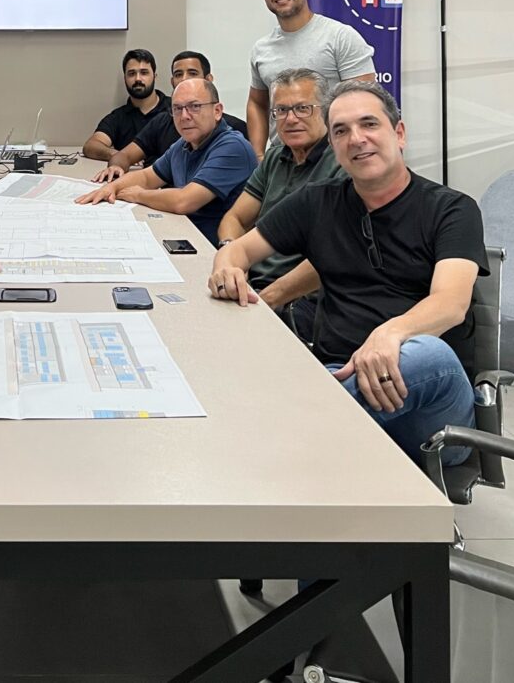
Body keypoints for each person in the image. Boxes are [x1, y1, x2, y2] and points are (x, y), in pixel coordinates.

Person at [210, 79, 483, 466]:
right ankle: (303, 429)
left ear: (399, 134)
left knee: (427, 353)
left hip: (429, 408)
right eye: (341, 131)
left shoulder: (451, 209)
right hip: (335, 376)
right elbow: (238, 250)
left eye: (369, 124)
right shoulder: (317, 203)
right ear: (334, 147)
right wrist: (227, 268)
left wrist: (390, 334)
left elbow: (451, 303)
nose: (356, 139)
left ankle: (278, 438)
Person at [216, 69, 345, 341]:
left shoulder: (342, 163)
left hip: (303, 301)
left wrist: (268, 298)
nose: (291, 119)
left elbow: (334, 255)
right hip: (255, 288)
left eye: (302, 108)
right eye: (282, 110)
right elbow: (235, 218)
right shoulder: (275, 157)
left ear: (326, 110)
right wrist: (232, 260)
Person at [77, 78, 257, 246]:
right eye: (177, 108)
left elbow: (184, 201)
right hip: (186, 234)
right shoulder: (183, 144)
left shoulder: (233, 147)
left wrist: (138, 195)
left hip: (216, 249)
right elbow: (147, 177)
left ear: (217, 111)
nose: (184, 116)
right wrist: (111, 188)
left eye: (194, 106)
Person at [247, 0, 376, 159]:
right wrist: (258, 155)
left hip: (335, 158)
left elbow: (365, 102)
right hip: (283, 159)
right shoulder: (261, 49)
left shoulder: (340, 37)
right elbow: (257, 103)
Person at [93, 51, 248, 182]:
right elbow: (130, 161)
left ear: (217, 111)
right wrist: (116, 170)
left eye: (192, 73)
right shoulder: (172, 137)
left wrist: (135, 193)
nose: (184, 79)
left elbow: (187, 198)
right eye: (178, 74)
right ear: (172, 81)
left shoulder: (234, 134)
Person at [82, 48, 172, 160]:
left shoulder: (175, 109)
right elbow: (91, 146)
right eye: (132, 74)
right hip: (129, 171)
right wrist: (121, 156)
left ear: (155, 76)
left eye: (144, 73)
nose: (138, 79)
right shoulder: (118, 117)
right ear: (125, 79)